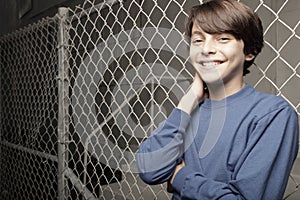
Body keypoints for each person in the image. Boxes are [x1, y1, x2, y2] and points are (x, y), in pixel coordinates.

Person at [136, 0, 299, 199]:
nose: (206, 49)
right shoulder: (189, 110)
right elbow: (150, 170)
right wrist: (188, 101)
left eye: (222, 38)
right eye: (198, 40)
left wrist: (181, 177)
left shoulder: (272, 114)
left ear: (250, 51)